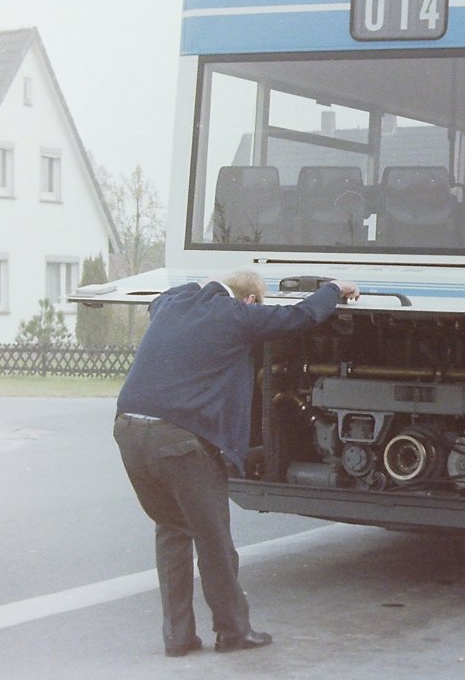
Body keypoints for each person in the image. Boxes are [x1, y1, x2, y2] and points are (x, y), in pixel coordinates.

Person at [113, 270, 358, 657]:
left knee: (172, 530)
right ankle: (233, 632)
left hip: (128, 428)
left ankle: (177, 637)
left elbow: (156, 302)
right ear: (250, 301)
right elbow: (300, 317)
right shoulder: (237, 315)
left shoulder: (174, 302)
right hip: (179, 439)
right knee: (215, 542)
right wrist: (334, 289)